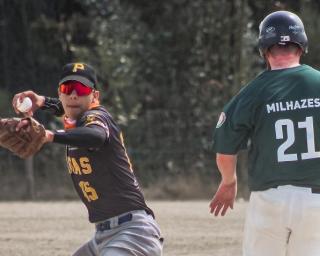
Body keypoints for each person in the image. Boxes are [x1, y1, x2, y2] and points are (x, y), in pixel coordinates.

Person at [12, 62, 163, 256]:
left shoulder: (97, 116)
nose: (74, 95)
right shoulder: (76, 117)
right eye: (68, 89)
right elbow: (68, 106)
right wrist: (41, 101)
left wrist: (49, 135)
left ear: (95, 96)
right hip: (104, 235)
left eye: (82, 89)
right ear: (60, 93)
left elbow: (96, 136)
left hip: (133, 233)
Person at [209, 10, 320, 256]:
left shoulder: (252, 93)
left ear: (264, 49)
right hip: (316, 202)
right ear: (301, 45)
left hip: (270, 200)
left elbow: (225, 149)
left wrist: (229, 181)